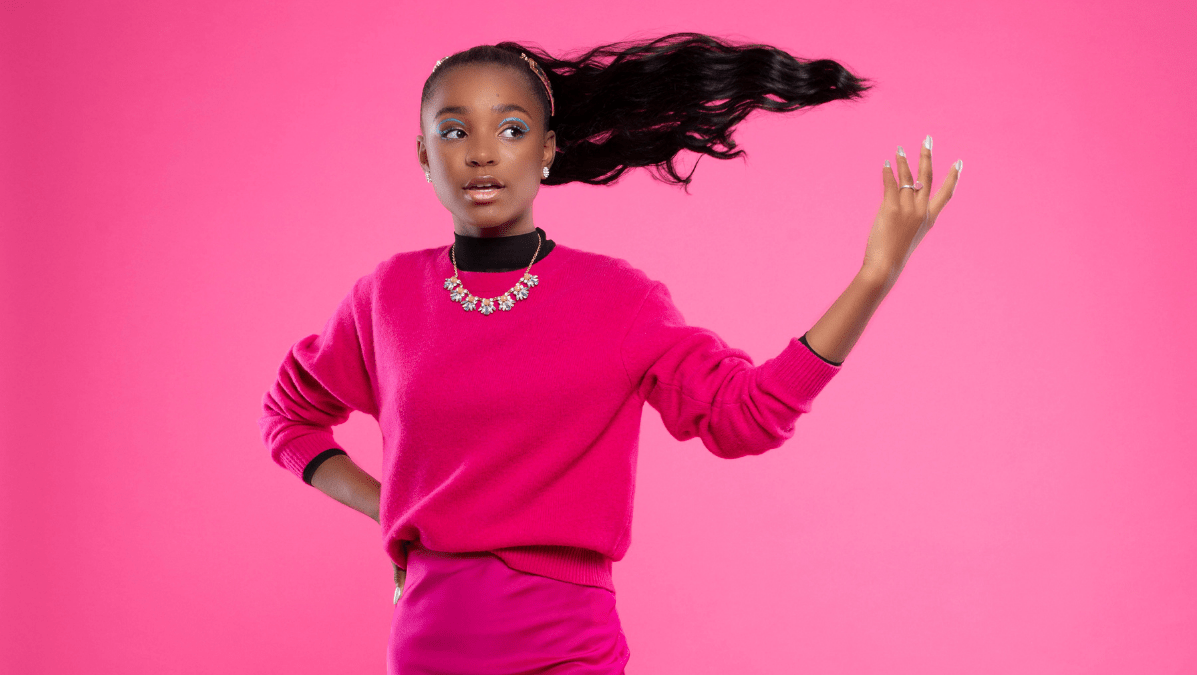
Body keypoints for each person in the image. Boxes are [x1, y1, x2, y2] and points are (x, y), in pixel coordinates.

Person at [258, 32, 962, 675]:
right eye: (452, 131)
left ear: (546, 149)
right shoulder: (387, 295)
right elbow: (289, 420)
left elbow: (746, 416)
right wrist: (396, 512)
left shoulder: (617, 298)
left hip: (569, 647)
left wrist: (875, 276)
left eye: (510, 129)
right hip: (430, 644)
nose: (480, 152)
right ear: (422, 154)